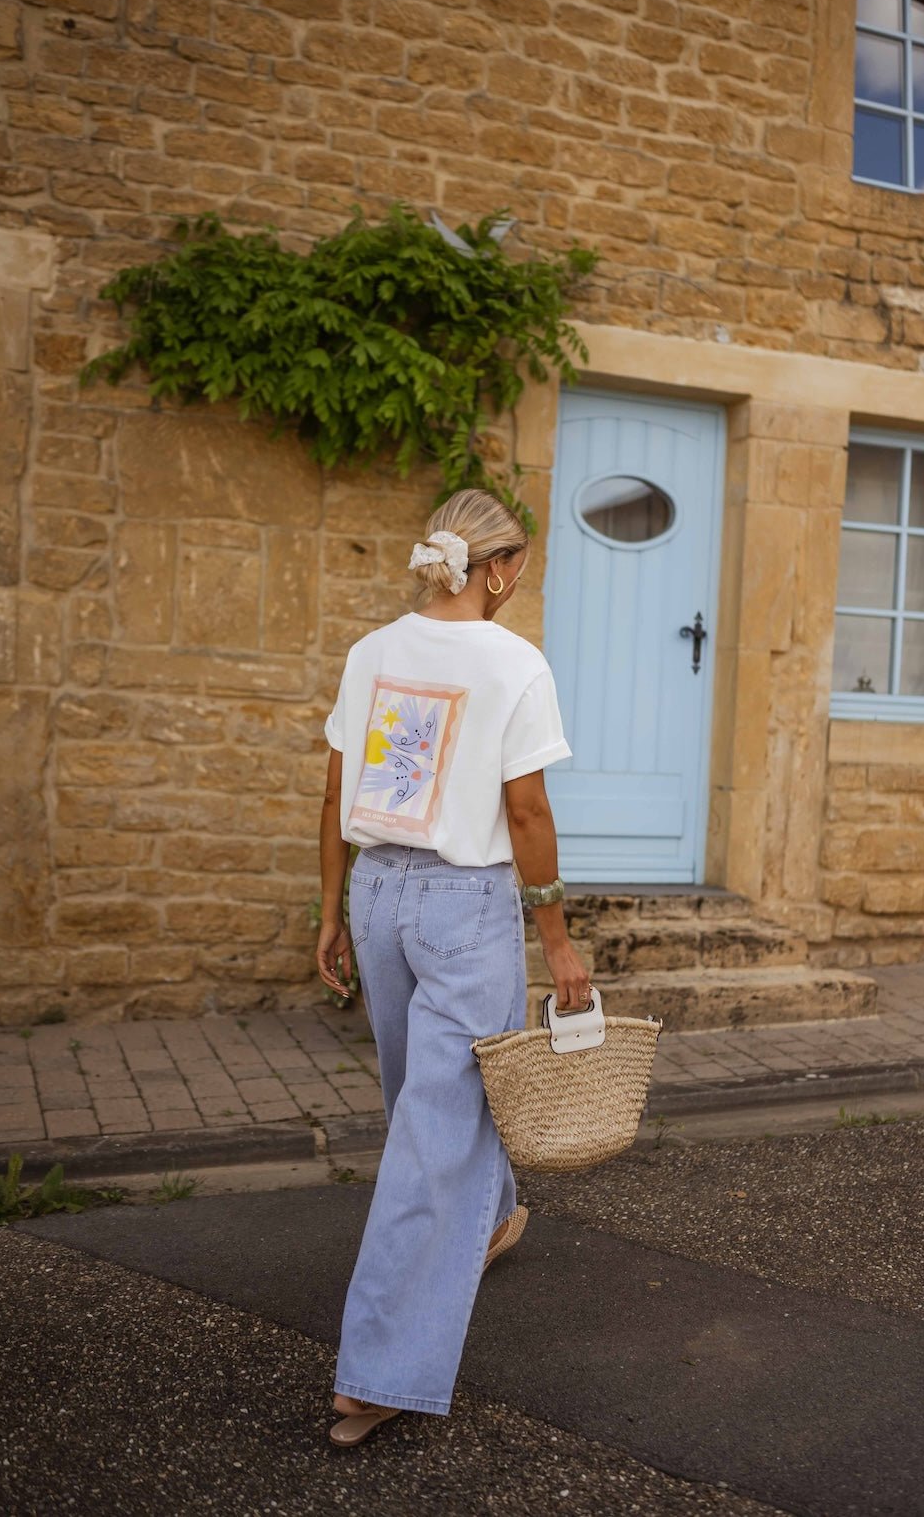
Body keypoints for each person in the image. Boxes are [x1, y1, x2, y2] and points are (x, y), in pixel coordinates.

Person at [315, 486, 592, 1448]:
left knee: (425, 1106)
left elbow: (333, 792)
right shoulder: (515, 662)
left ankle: (494, 1215)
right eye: (521, 569)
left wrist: (332, 914)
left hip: (379, 895)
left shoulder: (370, 652)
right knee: (436, 1127)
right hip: (463, 909)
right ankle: (381, 1372)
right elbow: (527, 816)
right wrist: (554, 938)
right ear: (500, 569)